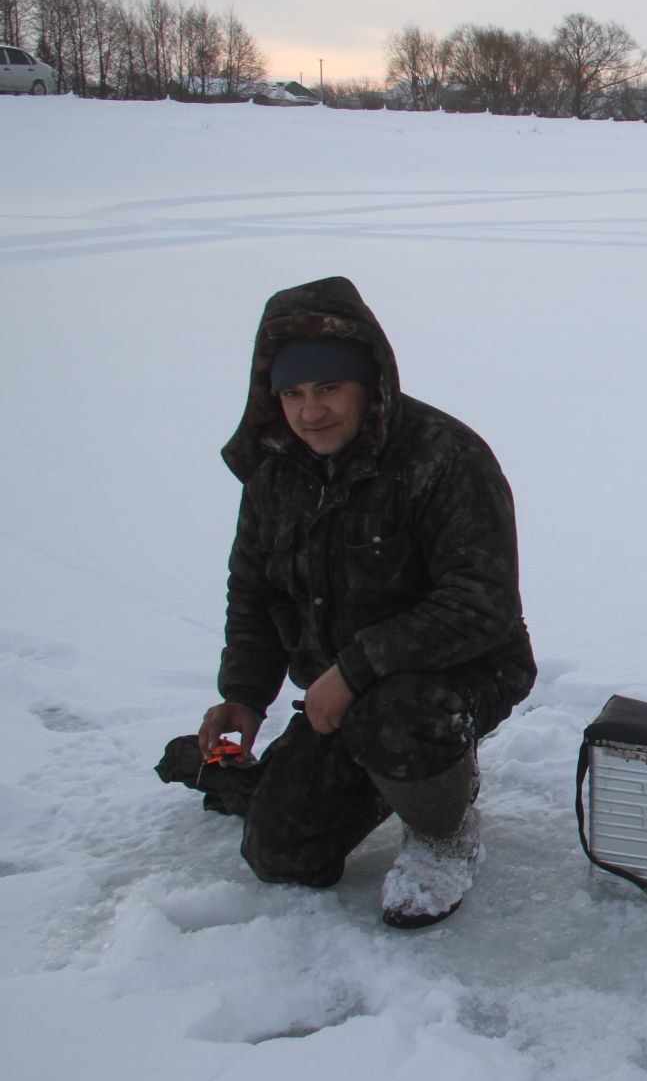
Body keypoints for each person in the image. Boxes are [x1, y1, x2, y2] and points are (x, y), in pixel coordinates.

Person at [164, 276, 536, 929]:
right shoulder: (276, 475)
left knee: (399, 720)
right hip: (347, 694)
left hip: (461, 671)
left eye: (329, 388)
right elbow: (254, 592)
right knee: (283, 852)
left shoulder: (445, 457)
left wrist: (354, 670)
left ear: (370, 382)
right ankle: (395, 774)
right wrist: (245, 696)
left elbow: (481, 603)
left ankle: (444, 827)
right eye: (293, 394)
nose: (312, 413)